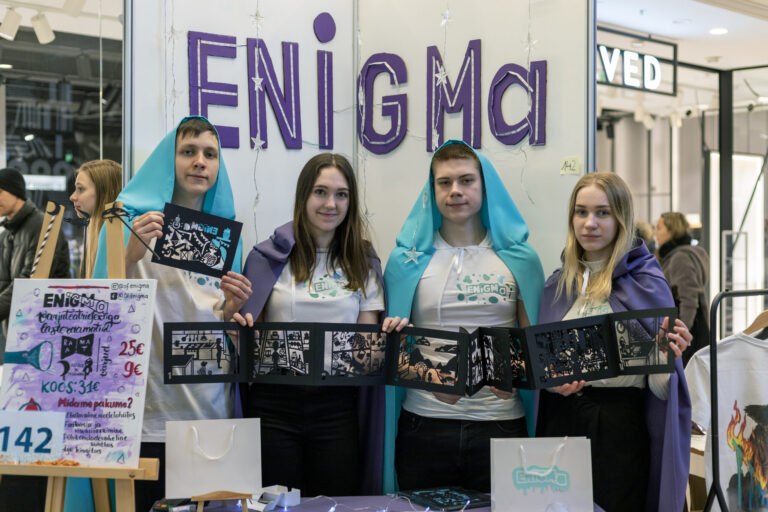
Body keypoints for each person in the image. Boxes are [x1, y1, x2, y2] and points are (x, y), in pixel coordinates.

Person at [92, 116, 252, 511]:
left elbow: (219, 318)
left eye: (210, 154)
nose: (200, 162)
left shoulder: (225, 236)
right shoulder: (126, 220)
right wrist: (130, 254)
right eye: (188, 152)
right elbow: (98, 311)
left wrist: (233, 311)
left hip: (209, 411)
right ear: (169, 160)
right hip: (146, 414)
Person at [381, 140, 545, 493]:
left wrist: (518, 376)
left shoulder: (521, 259)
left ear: (485, 188)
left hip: (501, 423)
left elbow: (533, 342)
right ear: (432, 190)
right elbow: (392, 347)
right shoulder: (404, 262)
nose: (455, 190)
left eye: (466, 180)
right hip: (424, 422)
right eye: (445, 182)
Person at [536, 172, 692, 512]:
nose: (589, 223)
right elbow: (540, 372)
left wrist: (669, 357)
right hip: (561, 422)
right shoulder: (557, 286)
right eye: (581, 212)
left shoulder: (646, 283)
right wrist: (551, 384)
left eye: (602, 213)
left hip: (619, 427)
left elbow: (659, 389)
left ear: (621, 218)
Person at [236, 153, 385, 496]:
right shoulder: (266, 258)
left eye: (341, 194)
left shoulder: (363, 263)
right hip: (273, 406)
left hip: (337, 408)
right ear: (303, 195)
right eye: (320, 192)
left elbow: (364, 353)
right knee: (274, 505)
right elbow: (250, 336)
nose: (331, 204)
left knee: (336, 503)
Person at [0, 167, 70, 330]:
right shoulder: (6, 235)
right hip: (15, 329)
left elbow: (30, 282)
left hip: (44, 328)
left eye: (0, 191)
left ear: (15, 191)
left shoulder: (43, 227)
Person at [655, 211, 709, 366]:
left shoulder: (680, 257)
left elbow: (689, 299)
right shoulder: (688, 253)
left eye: (659, 228)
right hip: (691, 327)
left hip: (687, 330)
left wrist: (680, 335)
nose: (655, 233)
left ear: (671, 231)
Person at [69, 159, 122, 278]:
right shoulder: (93, 231)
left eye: (80, 189)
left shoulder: (122, 233)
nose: (72, 197)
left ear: (105, 193)